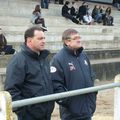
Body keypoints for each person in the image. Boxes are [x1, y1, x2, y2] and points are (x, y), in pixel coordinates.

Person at [4, 26, 54, 120]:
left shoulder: (44, 59)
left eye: (44, 38)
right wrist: (24, 111)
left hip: (46, 114)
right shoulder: (18, 60)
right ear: (29, 41)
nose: (43, 41)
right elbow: (12, 90)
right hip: (29, 116)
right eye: (40, 38)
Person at [50, 29, 97, 120]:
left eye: (79, 37)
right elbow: (56, 85)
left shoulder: (83, 55)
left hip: (88, 109)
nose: (79, 40)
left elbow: (91, 76)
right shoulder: (58, 59)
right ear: (67, 42)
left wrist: (93, 95)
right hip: (71, 114)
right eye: (75, 38)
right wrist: (70, 103)